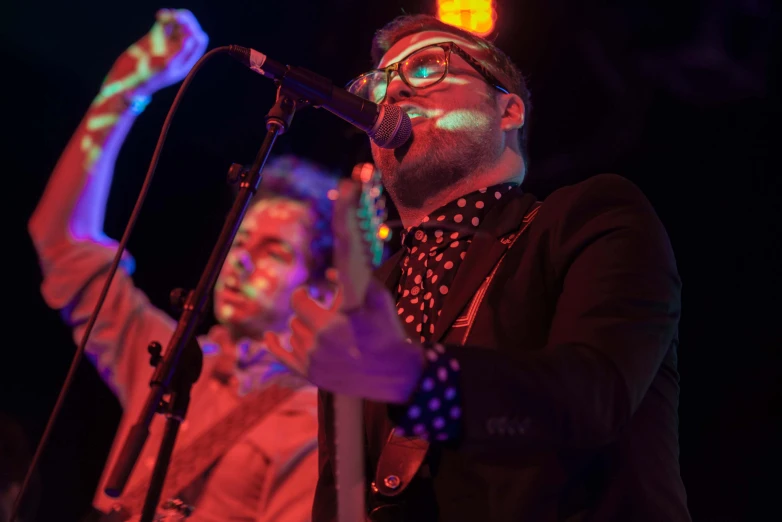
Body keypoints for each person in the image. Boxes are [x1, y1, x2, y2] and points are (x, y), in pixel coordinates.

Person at [266, 13, 692, 522]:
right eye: (381, 82)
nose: (394, 91)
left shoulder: (589, 215)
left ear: (507, 110)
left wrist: (419, 382)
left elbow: (593, 399)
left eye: (427, 67)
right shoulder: (373, 292)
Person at [28, 9, 338, 522]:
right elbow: (63, 242)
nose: (241, 260)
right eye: (241, 242)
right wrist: (124, 91)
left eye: (275, 252)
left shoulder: (312, 422)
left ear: (321, 288)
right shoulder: (167, 361)